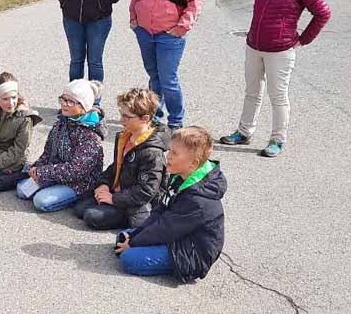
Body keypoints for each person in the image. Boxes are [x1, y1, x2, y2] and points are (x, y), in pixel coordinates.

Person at [220, 0, 331, 157]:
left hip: (280, 49)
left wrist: (303, 40)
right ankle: (243, 132)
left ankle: (277, 140)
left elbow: (323, 13)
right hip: (254, 45)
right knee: (252, 91)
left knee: (277, 95)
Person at [114, 127, 226, 282]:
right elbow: (160, 211)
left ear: (193, 164)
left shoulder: (197, 200)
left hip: (191, 253)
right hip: (177, 235)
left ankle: (150, 253)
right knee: (124, 236)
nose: (168, 156)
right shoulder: (180, 176)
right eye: (170, 150)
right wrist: (135, 236)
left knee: (128, 258)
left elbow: (165, 228)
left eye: (174, 153)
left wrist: (133, 243)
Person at [129, 0, 203, 130]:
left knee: (168, 79)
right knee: (154, 76)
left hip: (170, 34)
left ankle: (176, 120)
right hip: (144, 31)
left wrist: (182, 27)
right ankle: (155, 115)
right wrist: (134, 18)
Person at [74, 87, 170, 230]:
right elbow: (117, 166)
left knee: (91, 216)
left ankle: (132, 218)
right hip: (120, 191)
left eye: (127, 117)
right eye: (121, 114)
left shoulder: (151, 152)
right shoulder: (126, 136)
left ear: (145, 118)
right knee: (79, 209)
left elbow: (147, 190)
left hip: (135, 201)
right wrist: (103, 185)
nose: (121, 120)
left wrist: (113, 199)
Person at [16, 79, 104, 212]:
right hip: (56, 173)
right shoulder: (60, 123)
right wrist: (37, 167)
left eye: (70, 101)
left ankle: (76, 198)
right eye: (63, 99)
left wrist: (43, 173)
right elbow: (48, 152)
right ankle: (54, 189)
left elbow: (76, 170)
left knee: (41, 201)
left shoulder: (90, 135)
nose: (64, 104)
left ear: (83, 107)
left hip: (79, 183)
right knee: (22, 190)